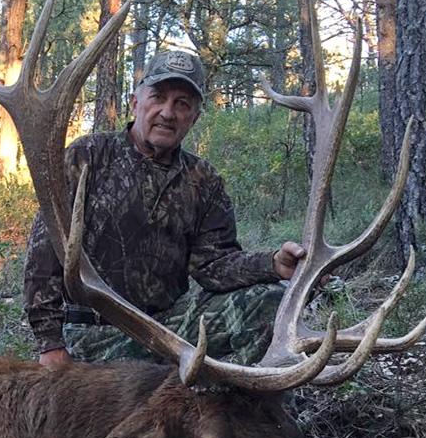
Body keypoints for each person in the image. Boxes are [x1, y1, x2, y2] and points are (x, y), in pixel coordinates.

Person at [24, 50, 309, 367]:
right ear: (136, 102)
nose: (167, 112)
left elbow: (214, 266)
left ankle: (222, 396)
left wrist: (273, 265)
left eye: (182, 104)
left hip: (166, 332)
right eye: (158, 97)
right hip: (91, 337)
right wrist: (50, 343)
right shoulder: (86, 156)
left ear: (194, 118)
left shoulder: (203, 180)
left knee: (274, 303)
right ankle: (185, 385)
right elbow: (44, 252)